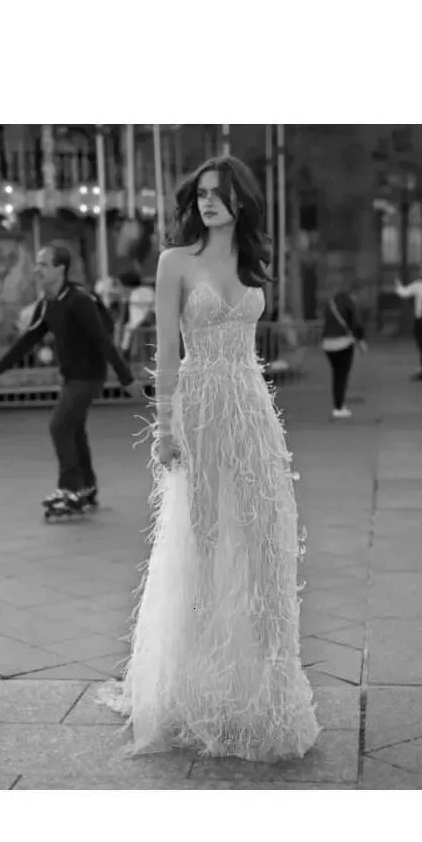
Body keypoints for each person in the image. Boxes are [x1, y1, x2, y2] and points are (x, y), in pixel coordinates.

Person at [97, 154, 320, 761]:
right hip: (199, 408)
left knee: (265, 539)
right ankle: (195, 684)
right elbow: (166, 350)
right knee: (205, 541)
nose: (207, 203)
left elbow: (250, 346)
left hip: (251, 405)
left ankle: (266, 685)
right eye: (200, 195)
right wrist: (164, 428)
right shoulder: (174, 261)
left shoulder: (252, 263)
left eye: (218, 194)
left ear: (240, 200)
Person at [0, 243, 146, 517]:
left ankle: (70, 490)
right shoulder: (47, 302)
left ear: (60, 268)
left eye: (43, 264)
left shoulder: (79, 299)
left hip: (89, 377)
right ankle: (87, 488)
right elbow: (29, 338)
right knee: (74, 431)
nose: (37, 269)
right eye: (37, 264)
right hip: (72, 377)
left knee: (59, 426)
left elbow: (103, 340)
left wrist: (126, 379)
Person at [320, 283, 366, 419]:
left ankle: (338, 405)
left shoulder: (331, 303)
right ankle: (338, 407)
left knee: (336, 375)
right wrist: (361, 340)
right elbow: (356, 323)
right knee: (342, 376)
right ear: (353, 294)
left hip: (327, 344)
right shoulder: (349, 303)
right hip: (343, 344)